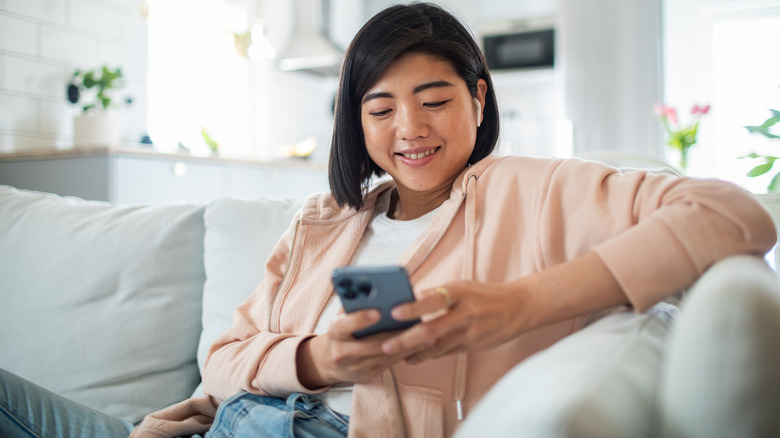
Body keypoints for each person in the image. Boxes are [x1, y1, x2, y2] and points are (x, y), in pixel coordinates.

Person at [0, 3, 775, 438]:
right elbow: (226, 357)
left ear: (477, 98)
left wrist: (518, 305)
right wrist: (317, 361)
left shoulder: (533, 190)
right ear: (356, 122)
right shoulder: (322, 223)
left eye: (435, 100)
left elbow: (733, 213)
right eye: (381, 107)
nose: (410, 128)